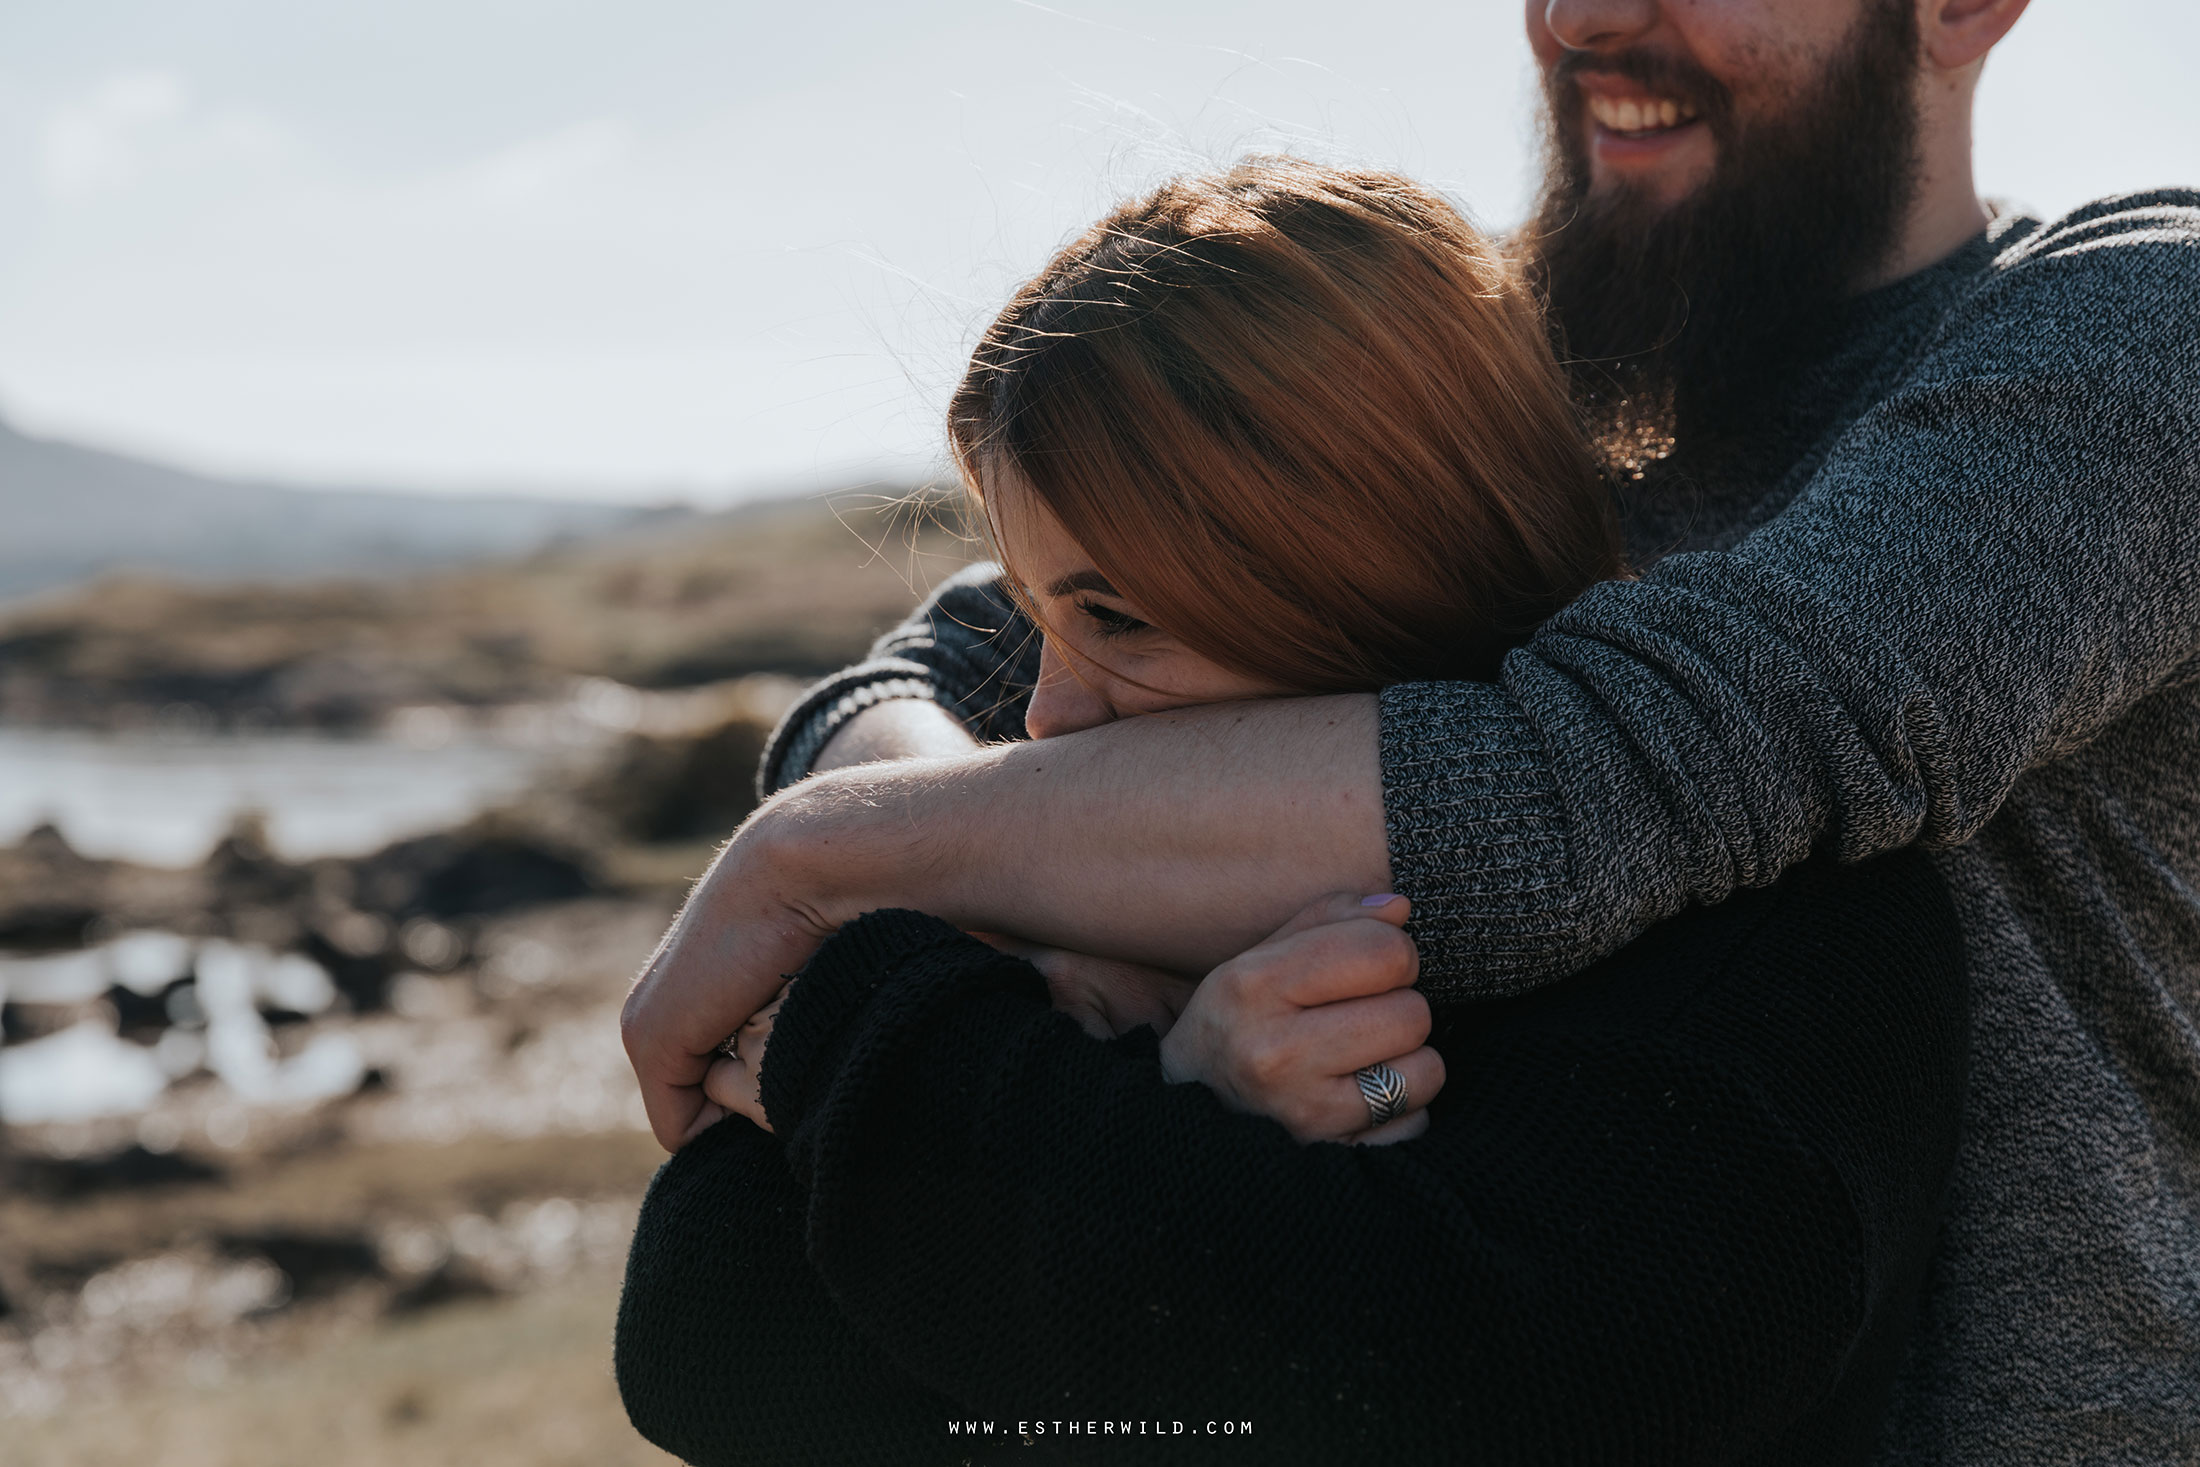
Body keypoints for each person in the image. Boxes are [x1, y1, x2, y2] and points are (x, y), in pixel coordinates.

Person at [622, 0, 2200, 1457]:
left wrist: (822, 877)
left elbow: (1606, 773)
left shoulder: (2135, 330)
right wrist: (1043, 976)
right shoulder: (1499, 366)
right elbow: (952, 656)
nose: (1577, 17)